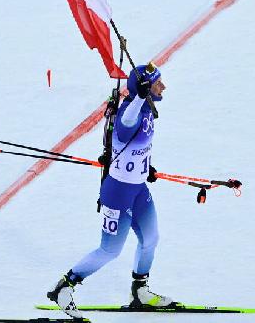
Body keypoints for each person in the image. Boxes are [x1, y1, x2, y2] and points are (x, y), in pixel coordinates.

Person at [47, 62, 172, 318]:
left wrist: (145, 167)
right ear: (144, 90)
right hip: (118, 193)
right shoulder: (131, 111)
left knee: (151, 239)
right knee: (110, 250)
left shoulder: (148, 108)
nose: (164, 86)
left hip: (137, 188)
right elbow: (126, 125)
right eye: (158, 82)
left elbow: (136, 146)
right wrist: (138, 95)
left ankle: (140, 291)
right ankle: (63, 287)